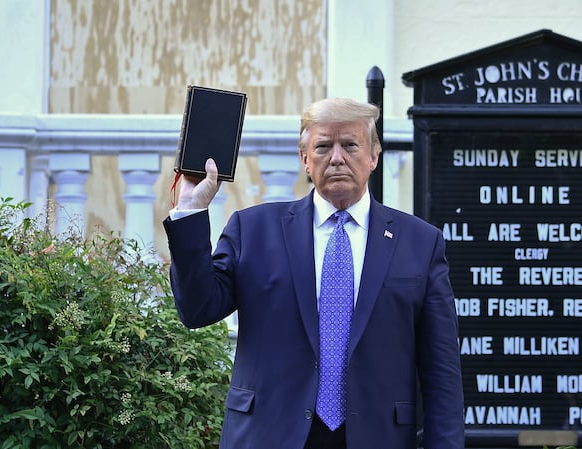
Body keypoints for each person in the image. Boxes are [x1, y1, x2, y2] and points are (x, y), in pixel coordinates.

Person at [163, 98, 464, 449]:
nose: (337, 157)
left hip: (377, 436)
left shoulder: (420, 243)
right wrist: (190, 211)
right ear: (305, 159)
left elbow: (441, 374)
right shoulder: (254, 229)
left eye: (350, 145)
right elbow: (197, 309)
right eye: (323, 146)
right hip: (269, 435)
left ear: (373, 157)